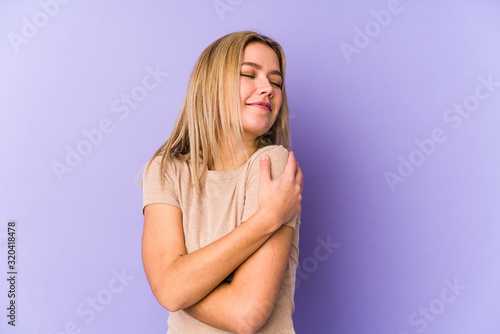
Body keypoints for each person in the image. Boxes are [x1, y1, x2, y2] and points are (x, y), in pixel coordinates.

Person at [140, 31, 303, 334]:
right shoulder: (165, 170)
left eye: (276, 82)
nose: (267, 88)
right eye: (248, 74)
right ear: (211, 86)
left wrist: (178, 284)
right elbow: (167, 289)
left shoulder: (273, 164)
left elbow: (246, 314)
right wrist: (266, 219)